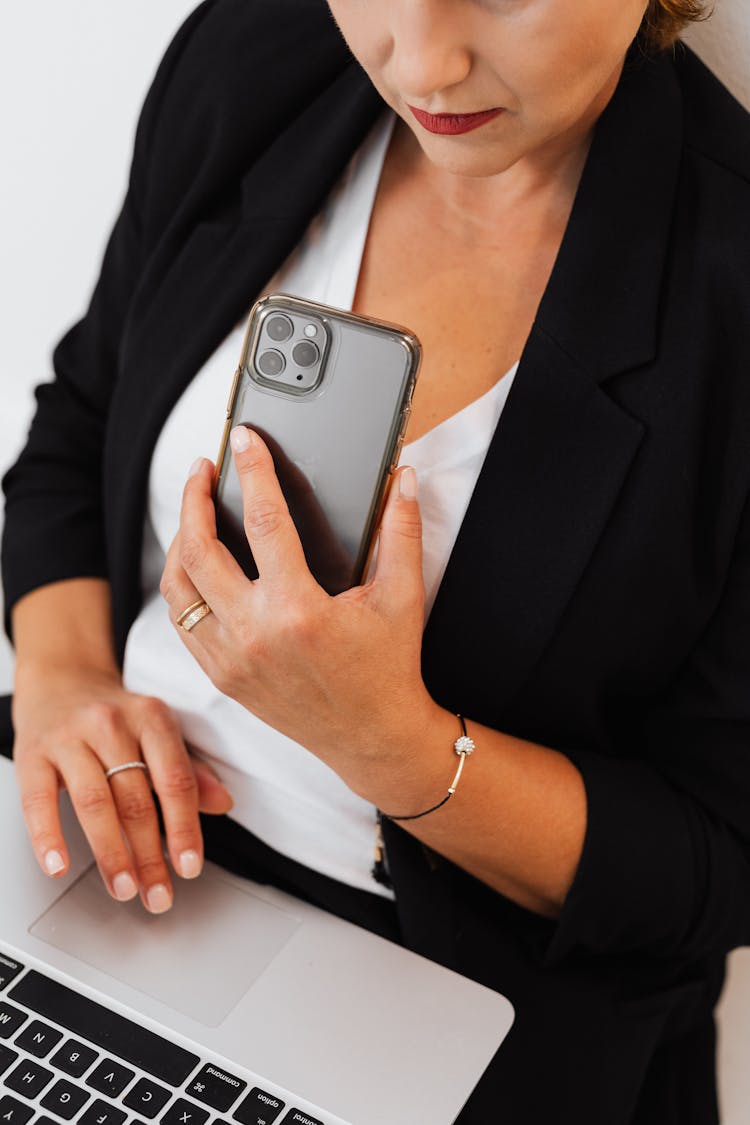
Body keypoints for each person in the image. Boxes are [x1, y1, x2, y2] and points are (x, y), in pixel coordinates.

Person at [3, 0, 750, 1120]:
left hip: (455, 984)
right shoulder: (250, 60)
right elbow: (80, 420)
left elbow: (718, 861)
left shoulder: (729, 291)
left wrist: (395, 749)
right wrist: (63, 684)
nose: (424, 62)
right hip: (97, 834)